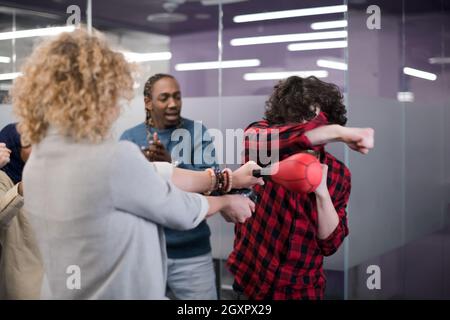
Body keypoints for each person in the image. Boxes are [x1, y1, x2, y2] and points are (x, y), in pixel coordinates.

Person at [11, 28, 263, 299]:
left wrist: (228, 179)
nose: (117, 106)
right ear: (96, 96)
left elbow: (153, 176)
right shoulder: (113, 158)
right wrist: (226, 201)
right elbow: (178, 208)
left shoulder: (38, 161)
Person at [227, 76, 374, 300]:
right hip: (251, 283)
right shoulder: (263, 145)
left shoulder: (338, 174)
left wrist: (322, 193)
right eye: (298, 118)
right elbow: (253, 141)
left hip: (303, 291)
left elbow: (330, 244)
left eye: (314, 118)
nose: (306, 125)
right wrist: (334, 132)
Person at [120, 73, 220, 299]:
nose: (173, 104)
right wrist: (144, 170)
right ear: (148, 102)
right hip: (145, 252)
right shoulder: (130, 138)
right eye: (164, 98)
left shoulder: (196, 133)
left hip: (191, 252)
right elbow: (124, 196)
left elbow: (211, 186)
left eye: (177, 97)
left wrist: (169, 167)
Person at [0, 123, 43, 299]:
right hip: (24, 276)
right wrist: (23, 188)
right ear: (13, 148)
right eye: (29, 144)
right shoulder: (4, 177)